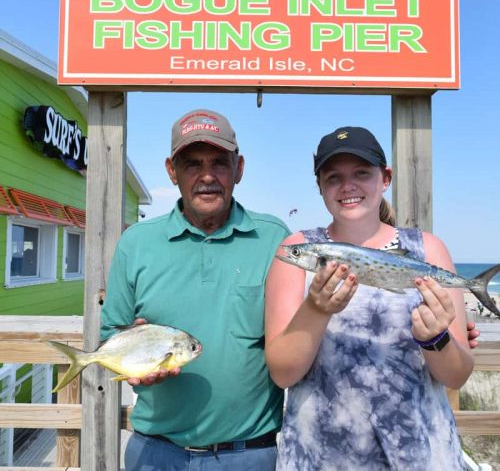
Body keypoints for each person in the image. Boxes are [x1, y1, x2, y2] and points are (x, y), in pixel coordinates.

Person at [265, 126, 474, 470]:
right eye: (334, 177)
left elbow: (456, 376)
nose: (348, 186)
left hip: (418, 453)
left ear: (385, 177)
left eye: (362, 173)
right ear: (319, 186)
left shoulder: (428, 249)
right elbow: (283, 373)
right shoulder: (295, 249)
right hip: (323, 455)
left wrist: (436, 339)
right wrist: (316, 311)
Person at [100, 109, 290, 471]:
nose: (207, 177)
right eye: (192, 164)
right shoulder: (136, 243)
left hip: (250, 454)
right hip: (156, 451)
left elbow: (293, 335)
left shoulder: (274, 239)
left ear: (240, 168)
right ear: (172, 171)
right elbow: (111, 333)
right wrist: (135, 361)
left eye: (220, 163)